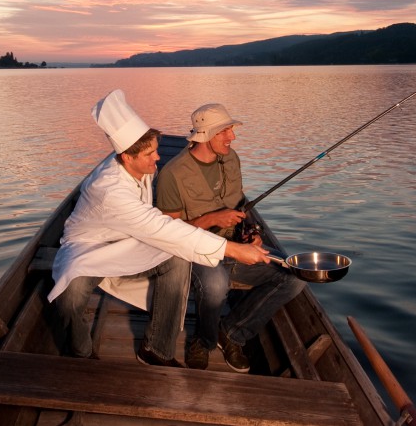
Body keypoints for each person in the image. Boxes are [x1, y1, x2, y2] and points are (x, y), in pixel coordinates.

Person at [46, 90, 270, 368]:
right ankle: (80, 354)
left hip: (131, 239)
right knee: (70, 296)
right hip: (90, 248)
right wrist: (233, 249)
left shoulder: (133, 168)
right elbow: (163, 228)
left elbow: (157, 229)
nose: (158, 158)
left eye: (155, 149)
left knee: (175, 258)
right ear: (127, 157)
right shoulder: (110, 190)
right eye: (151, 153)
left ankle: (157, 349)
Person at [156, 103, 306, 372]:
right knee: (216, 285)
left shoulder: (231, 158)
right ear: (205, 136)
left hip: (238, 246)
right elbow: (168, 231)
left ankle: (232, 333)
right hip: (195, 252)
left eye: (231, 130)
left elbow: (241, 207)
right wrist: (210, 220)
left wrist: (253, 232)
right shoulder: (172, 174)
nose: (232, 137)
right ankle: (203, 341)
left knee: (295, 275)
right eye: (224, 131)